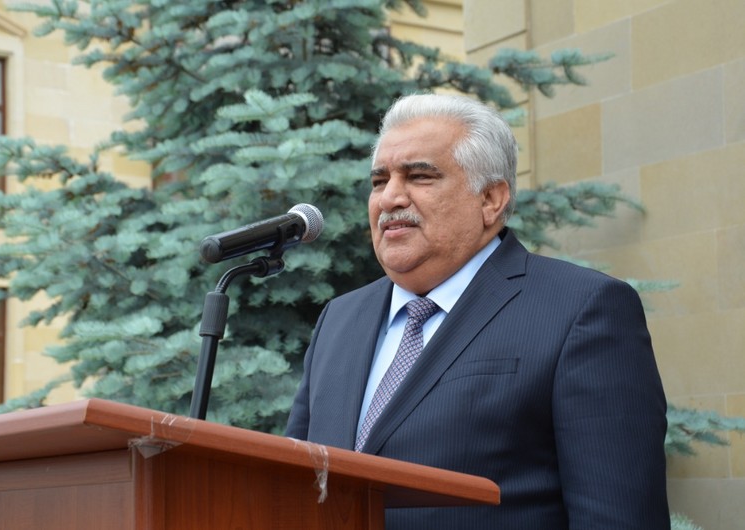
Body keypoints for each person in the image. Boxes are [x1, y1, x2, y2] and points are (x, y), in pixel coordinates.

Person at [285, 93, 670, 529]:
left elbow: (617, 518)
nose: (389, 198)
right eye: (379, 181)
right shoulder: (340, 319)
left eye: (419, 176)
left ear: (490, 199)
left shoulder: (581, 309)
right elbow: (293, 487)